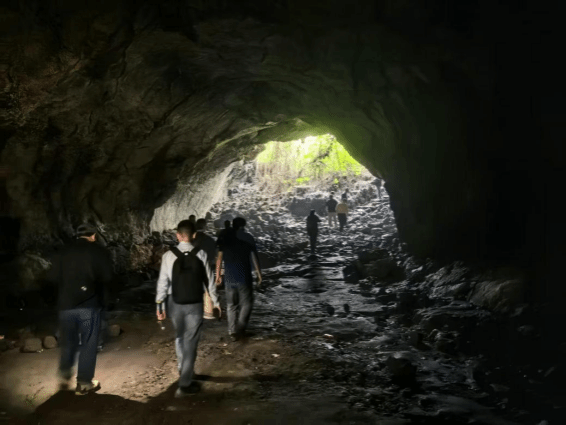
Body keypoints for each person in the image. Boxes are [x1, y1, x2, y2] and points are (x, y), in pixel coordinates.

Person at [156, 220, 220, 397]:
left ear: (177, 235)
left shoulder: (168, 255)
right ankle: (185, 381)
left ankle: (182, 368)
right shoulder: (201, 254)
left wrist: (159, 304)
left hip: (174, 302)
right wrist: (216, 302)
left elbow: (163, 282)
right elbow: (209, 281)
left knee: (179, 336)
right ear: (194, 235)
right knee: (191, 340)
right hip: (195, 303)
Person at [47, 223, 113, 395]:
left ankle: (64, 372)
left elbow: (51, 278)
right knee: (88, 342)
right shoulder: (98, 251)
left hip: (65, 305)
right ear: (93, 236)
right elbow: (107, 277)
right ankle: (84, 382)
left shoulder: (62, 251)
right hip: (88, 304)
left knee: (68, 341)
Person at [215, 217, 262, 341]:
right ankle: (240, 328)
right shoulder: (248, 240)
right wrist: (259, 274)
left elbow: (219, 259)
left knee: (231, 305)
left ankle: (232, 331)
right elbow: (254, 258)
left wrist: (218, 275)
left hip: (229, 278)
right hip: (244, 277)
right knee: (246, 304)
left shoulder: (225, 242)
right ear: (244, 225)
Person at [194, 218, 218, 320]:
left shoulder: (191, 240)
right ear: (205, 227)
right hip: (207, 266)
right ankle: (207, 311)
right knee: (207, 289)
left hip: (192, 268)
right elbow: (215, 256)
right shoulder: (210, 240)